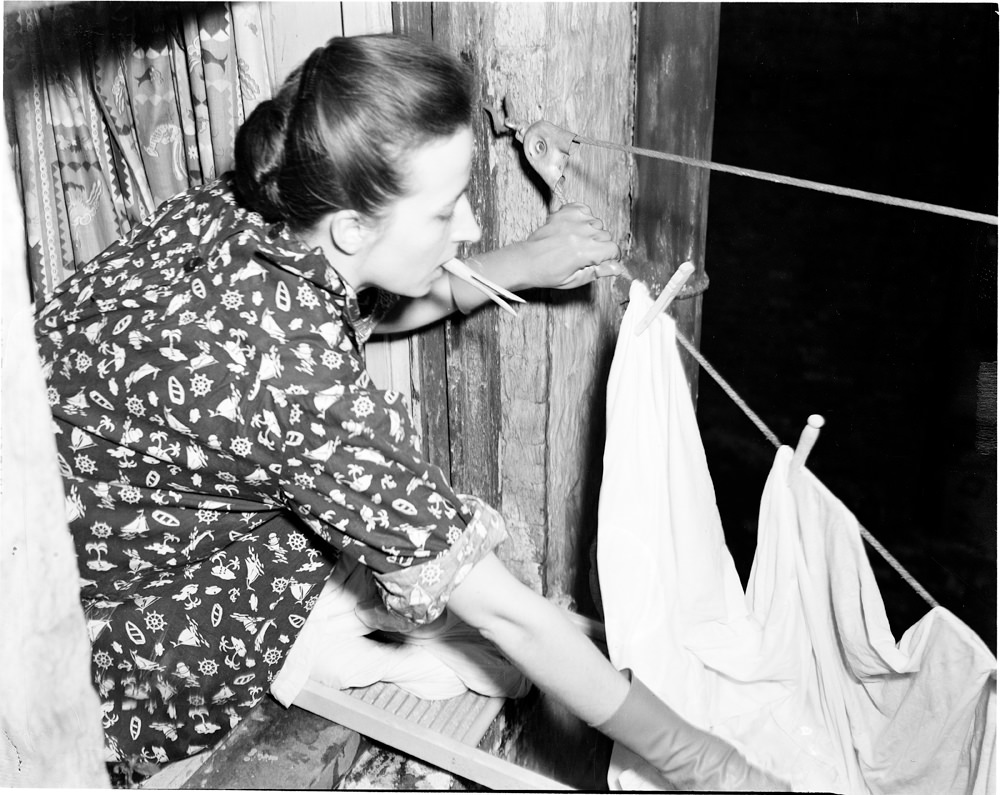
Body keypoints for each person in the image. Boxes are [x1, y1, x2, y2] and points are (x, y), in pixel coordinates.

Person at [34, 34, 787, 790]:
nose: (466, 228)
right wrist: (707, 762)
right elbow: (509, 614)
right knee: (392, 561)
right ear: (354, 229)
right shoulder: (295, 384)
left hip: (57, 480)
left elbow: (344, 308)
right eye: (443, 211)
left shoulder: (260, 200)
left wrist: (523, 263)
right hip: (91, 617)